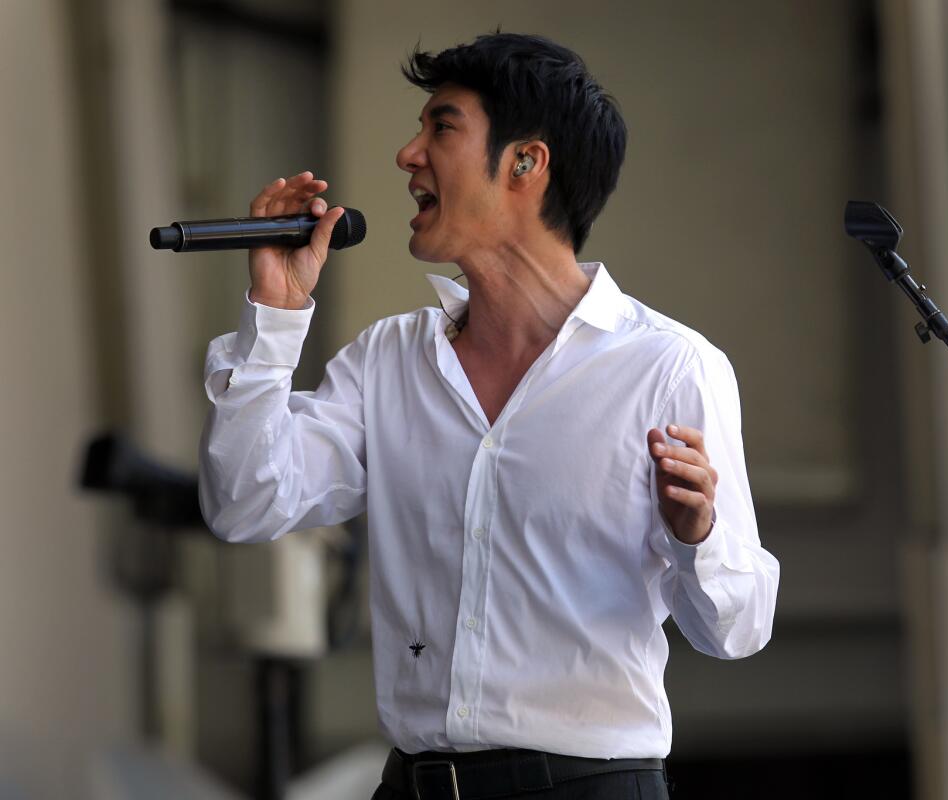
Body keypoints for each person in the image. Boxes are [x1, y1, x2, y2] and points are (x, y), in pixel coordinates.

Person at [198, 32, 780, 800]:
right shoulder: (390, 360)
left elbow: (736, 630)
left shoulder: (668, 366)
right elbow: (243, 503)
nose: (408, 155)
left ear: (526, 164)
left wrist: (697, 538)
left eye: (441, 127)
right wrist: (275, 315)